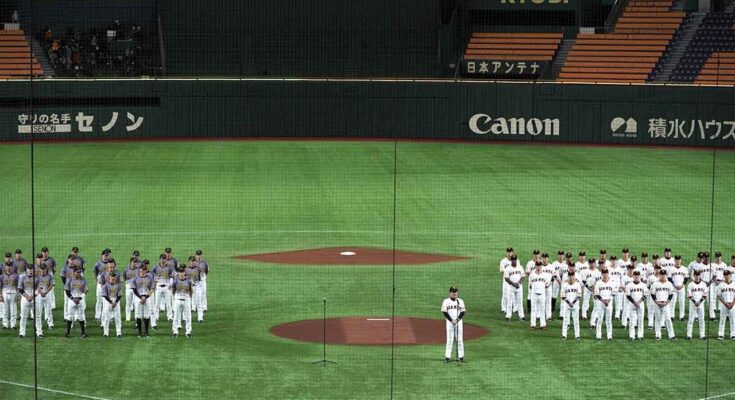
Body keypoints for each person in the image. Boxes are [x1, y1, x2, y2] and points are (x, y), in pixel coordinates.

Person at [441, 287, 466, 363]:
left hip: (459, 322)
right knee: (449, 339)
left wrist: (457, 320)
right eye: (453, 292)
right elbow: (444, 312)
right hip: (449, 322)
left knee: (459, 340)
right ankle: (447, 357)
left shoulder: (460, 301)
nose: (454, 293)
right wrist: (451, 320)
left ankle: (460, 357)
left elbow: (463, 312)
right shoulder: (446, 301)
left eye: (455, 292)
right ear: (450, 293)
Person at [131, 264, 156, 337]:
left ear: (146, 270)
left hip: (147, 298)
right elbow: (134, 290)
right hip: (138, 298)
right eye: (141, 270)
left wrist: (146, 296)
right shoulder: (135, 278)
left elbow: (152, 288)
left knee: (146, 315)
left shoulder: (150, 278)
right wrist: (140, 297)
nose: (142, 271)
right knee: (138, 315)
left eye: (144, 270)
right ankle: (139, 331)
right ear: (139, 270)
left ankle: (146, 331)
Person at [651, 267, 676, 341]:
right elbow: (652, 294)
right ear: (659, 275)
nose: (662, 276)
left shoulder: (669, 284)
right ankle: (658, 335)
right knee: (658, 319)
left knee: (668, 319)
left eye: (664, 274)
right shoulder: (655, 284)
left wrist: (666, 302)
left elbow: (671, 294)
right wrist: (656, 302)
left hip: (666, 304)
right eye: (661, 274)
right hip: (657, 303)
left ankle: (671, 335)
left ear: (666, 275)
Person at [64, 266, 89, 338]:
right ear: (74, 272)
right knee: (70, 317)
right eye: (78, 272)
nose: (79, 273)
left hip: (80, 300)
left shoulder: (83, 279)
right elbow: (67, 290)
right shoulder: (69, 280)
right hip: (72, 301)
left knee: (81, 317)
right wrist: (73, 298)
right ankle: (68, 332)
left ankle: (83, 333)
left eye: (80, 272)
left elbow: (86, 290)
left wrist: (80, 298)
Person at [152, 255, 175, 328]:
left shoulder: (169, 267)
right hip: (158, 287)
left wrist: (171, 283)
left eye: (164, 259)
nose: (163, 260)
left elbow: (173, 275)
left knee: (168, 303)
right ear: (160, 259)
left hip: (167, 287)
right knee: (157, 303)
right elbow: (151, 275)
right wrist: (154, 282)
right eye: (162, 259)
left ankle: (170, 316)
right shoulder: (156, 267)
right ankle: (156, 316)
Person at [625, 271, 648, 340]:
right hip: (632, 304)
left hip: (641, 304)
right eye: (635, 275)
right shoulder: (629, 285)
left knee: (640, 320)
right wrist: (634, 302)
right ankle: (632, 335)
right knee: (632, 320)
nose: (636, 277)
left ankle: (640, 335)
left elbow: (645, 295)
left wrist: (639, 302)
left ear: (640, 276)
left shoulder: (643, 285)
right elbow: (628, 295)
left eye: (638, 275)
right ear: (633, 276)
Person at [171, 266, 193, 338]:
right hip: (177, 300)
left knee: (188, 316)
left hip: (186, 300)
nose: (181, 273)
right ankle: (175, 331)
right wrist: (175, 297)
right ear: (178, 273)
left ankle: (188, 331)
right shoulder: (175, 281)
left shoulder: (189, 281)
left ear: (184, 273)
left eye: (182, 272)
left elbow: (191, 290)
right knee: (176, 316)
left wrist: (189, 298)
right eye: (180, 272)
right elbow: (173, 290)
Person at [593, 269, 615, 340]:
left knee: (609, 320)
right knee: (600, 320)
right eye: (603, 273)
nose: (605, 275)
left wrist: (608, 301)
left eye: (606, 273)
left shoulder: (612, 283)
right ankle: (598, 335)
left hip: (609, 303)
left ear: (608, 274)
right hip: (600, 303)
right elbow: (596, 294)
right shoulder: (598, 283)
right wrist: (603, 301)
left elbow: (613, 293)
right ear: (601, 274)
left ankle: (609, 335)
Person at [560, 271, 582, 340]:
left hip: (575, 305)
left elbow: (579, 295)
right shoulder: (564, 285)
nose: (571, 277)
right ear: (568, 276)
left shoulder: (577, 284)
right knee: (565, 320)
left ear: (574, 276)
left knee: (576, 321)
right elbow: (562, 295)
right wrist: (569, 302)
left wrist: (573, 302)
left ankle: (577, 335)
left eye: (572, 275)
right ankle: (564, 335)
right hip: (566, 305)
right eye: (570, 275)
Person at [528, 261, 550, 330]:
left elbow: (547, 285)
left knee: (542, 310)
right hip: (534, 294)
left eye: (540, 265)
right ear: (535, 266)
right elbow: (530, 285)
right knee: (533, 310)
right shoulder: (532, 274)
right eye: (537, 265)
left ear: (541, 266)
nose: (539, 266)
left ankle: (543, 325)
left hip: (542, 294)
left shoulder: (545, 275)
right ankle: (533, 325)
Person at [686, 271, 708, 340]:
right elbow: (689, 295)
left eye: (698, 275)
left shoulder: (703, 284)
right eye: (696, 275)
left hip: (701, 304)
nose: (697, 276)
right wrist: (694, 301)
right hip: (693, 304)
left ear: (700, 275)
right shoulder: (690, 284)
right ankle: (689, 335)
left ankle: (702, 335)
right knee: (691, 320)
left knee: (701, 320)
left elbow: (705, 294)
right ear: (694, 275)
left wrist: (700, 301)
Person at [101, 271, 123, 338]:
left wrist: (115, 302)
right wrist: (111, 302)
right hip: (108, 302)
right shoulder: (105, 286)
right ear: (109, 278)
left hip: (116, 302)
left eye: (114, 278)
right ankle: (105, 333)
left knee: (117, 318)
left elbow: (119, 295)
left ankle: (119, 333)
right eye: (112, 278)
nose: (113, 280)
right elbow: (105, 296)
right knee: (107, 318)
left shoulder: (118, 285)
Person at [503, 255, 525, 321]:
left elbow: (523, 276)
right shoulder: (508, 268)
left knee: (520, 302)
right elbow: (506, 278)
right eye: (513, 259)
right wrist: (513, 284)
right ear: (511, 260)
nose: (514, 261)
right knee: (509, 302)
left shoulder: (520, 267)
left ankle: (522, 316)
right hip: (511, 287)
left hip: (519, 287)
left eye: (515, 259)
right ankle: (508, 316)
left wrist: (518, 283)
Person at [93, 249, 111, 322]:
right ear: (102, 255)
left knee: (109, 300)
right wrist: (97, 280)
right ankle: (97, 316)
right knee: (99, 300)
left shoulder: (111, 263)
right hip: (100, 284)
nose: (107, 257)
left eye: (108, 255)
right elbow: (95, 272)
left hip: (109, 284)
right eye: (105, 255)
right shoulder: (98, 263)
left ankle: (110, 316)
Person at [35, 263, 54, 334]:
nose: (43, 271)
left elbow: (51, 285)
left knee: (49, 309)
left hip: (47, 295)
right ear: (39, 269)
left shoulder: (50, 276)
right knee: (39, 311)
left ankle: (50, 324)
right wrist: (40, 292)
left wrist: (45, 292)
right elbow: (35, 286)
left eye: (44, 269)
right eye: (41, 269)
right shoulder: (37, 277)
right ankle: (38, 326)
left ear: (46, 269)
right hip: (39, 295)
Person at [17, 267, 35, 338]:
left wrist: (32, 296)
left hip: (35, 298)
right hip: (25, 299)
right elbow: (20, 289)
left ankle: (39, 332)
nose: (30, 273)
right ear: (26, 271)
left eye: (31, 271)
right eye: (29, 271)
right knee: (23, 316)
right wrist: (27, 296)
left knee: (37, 316)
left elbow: (39, 288)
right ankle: (22, 333)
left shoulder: (37, 278)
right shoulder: (22, 278)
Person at [124, 252, 143, 322]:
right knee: (128, 303)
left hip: (136, 288)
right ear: (130, 262)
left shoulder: (138, 270)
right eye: (133, 262)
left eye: (135, 262)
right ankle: (128, 317)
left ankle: (136, 317)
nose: (134, 263)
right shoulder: (126, 269)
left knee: (136, 303)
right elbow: (125, 277)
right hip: (128, 288)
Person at [0, 261, 19, 330]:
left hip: (13, 294)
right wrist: (0, 296)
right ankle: (5, 324)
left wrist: (18, 295)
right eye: (7, 267)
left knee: (13, 310)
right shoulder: (1, 276)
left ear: (12, 267)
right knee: (5, 310)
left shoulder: (16, 276)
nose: (8, 268)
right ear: (5, 267)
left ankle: (13, 325)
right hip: (4, 294)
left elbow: (18, 286)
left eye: (10, 266)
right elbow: (0, 287)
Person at [669, 255, 688, 321]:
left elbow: (686, 278)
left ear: (680, 260)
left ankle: (681, 316)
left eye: (679, 260)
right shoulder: (671, 269)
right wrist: (674, 285)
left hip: (682, 288)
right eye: (676, 260)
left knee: (682, 302)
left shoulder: (684, 269)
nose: (678, 261)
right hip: (673, 288)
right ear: (674, 261)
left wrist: (683, 285)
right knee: (672, 302)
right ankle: (672, 316)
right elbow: (669, 278)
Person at [185, 257, 204, 323]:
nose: (192, 262)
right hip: (189, 288)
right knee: (187, 303)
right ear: (189, 262)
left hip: (197, 287)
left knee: (199, 302)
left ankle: (200, 318)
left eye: (193, 261)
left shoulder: (198, 269)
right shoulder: (186, 270)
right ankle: (186, 318)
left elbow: (200, 279)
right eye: (191, 261)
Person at [718, 270, 735, 340]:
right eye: (725, 275)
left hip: (733, 304)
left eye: (728, 274)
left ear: (730, 275)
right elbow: (719, 295)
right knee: (722, 320)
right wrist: (725, 303)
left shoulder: (734, 284)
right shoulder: (721, 285)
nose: (727, 276)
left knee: (733, 320)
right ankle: (721, 334)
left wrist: (732, 303)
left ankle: (733, 334)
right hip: (723, 304)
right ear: (724, 276)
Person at [541, 253, 558, 320]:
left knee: (548, 301)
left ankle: (548, 316)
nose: (544, 259)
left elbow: (554, 276)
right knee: (541, 301)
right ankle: (539, 316)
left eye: (546, 258)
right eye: (543, 258)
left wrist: (550, 282)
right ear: (541, 258)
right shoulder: (538, 266)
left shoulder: (551, 266)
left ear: (548, 258)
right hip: (540, 287)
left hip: (549, 287)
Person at [608, 255, 624, 321]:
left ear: (617, 261)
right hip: (610, 288)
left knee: (618, 302)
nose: (613, 261)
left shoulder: (620, 269)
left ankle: (617, 315)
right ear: (610, 261)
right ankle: (609, 315)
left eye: (615, 260)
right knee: (610, 302)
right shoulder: (607, 269)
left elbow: (622, 279)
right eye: (612, 260)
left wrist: (621, 286)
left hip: (618, 288)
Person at [499, 247, 514, 314]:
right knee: (505, 294)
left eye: (510, 252)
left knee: (513, 294)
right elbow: (502, 271)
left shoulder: (515, 260)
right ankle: (503, 308)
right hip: (506, 281)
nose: (509, 253)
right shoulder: (503, 261)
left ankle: (514, 308)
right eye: (508, 252)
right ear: (506, 253)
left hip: (513, 281)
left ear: (512, 252)